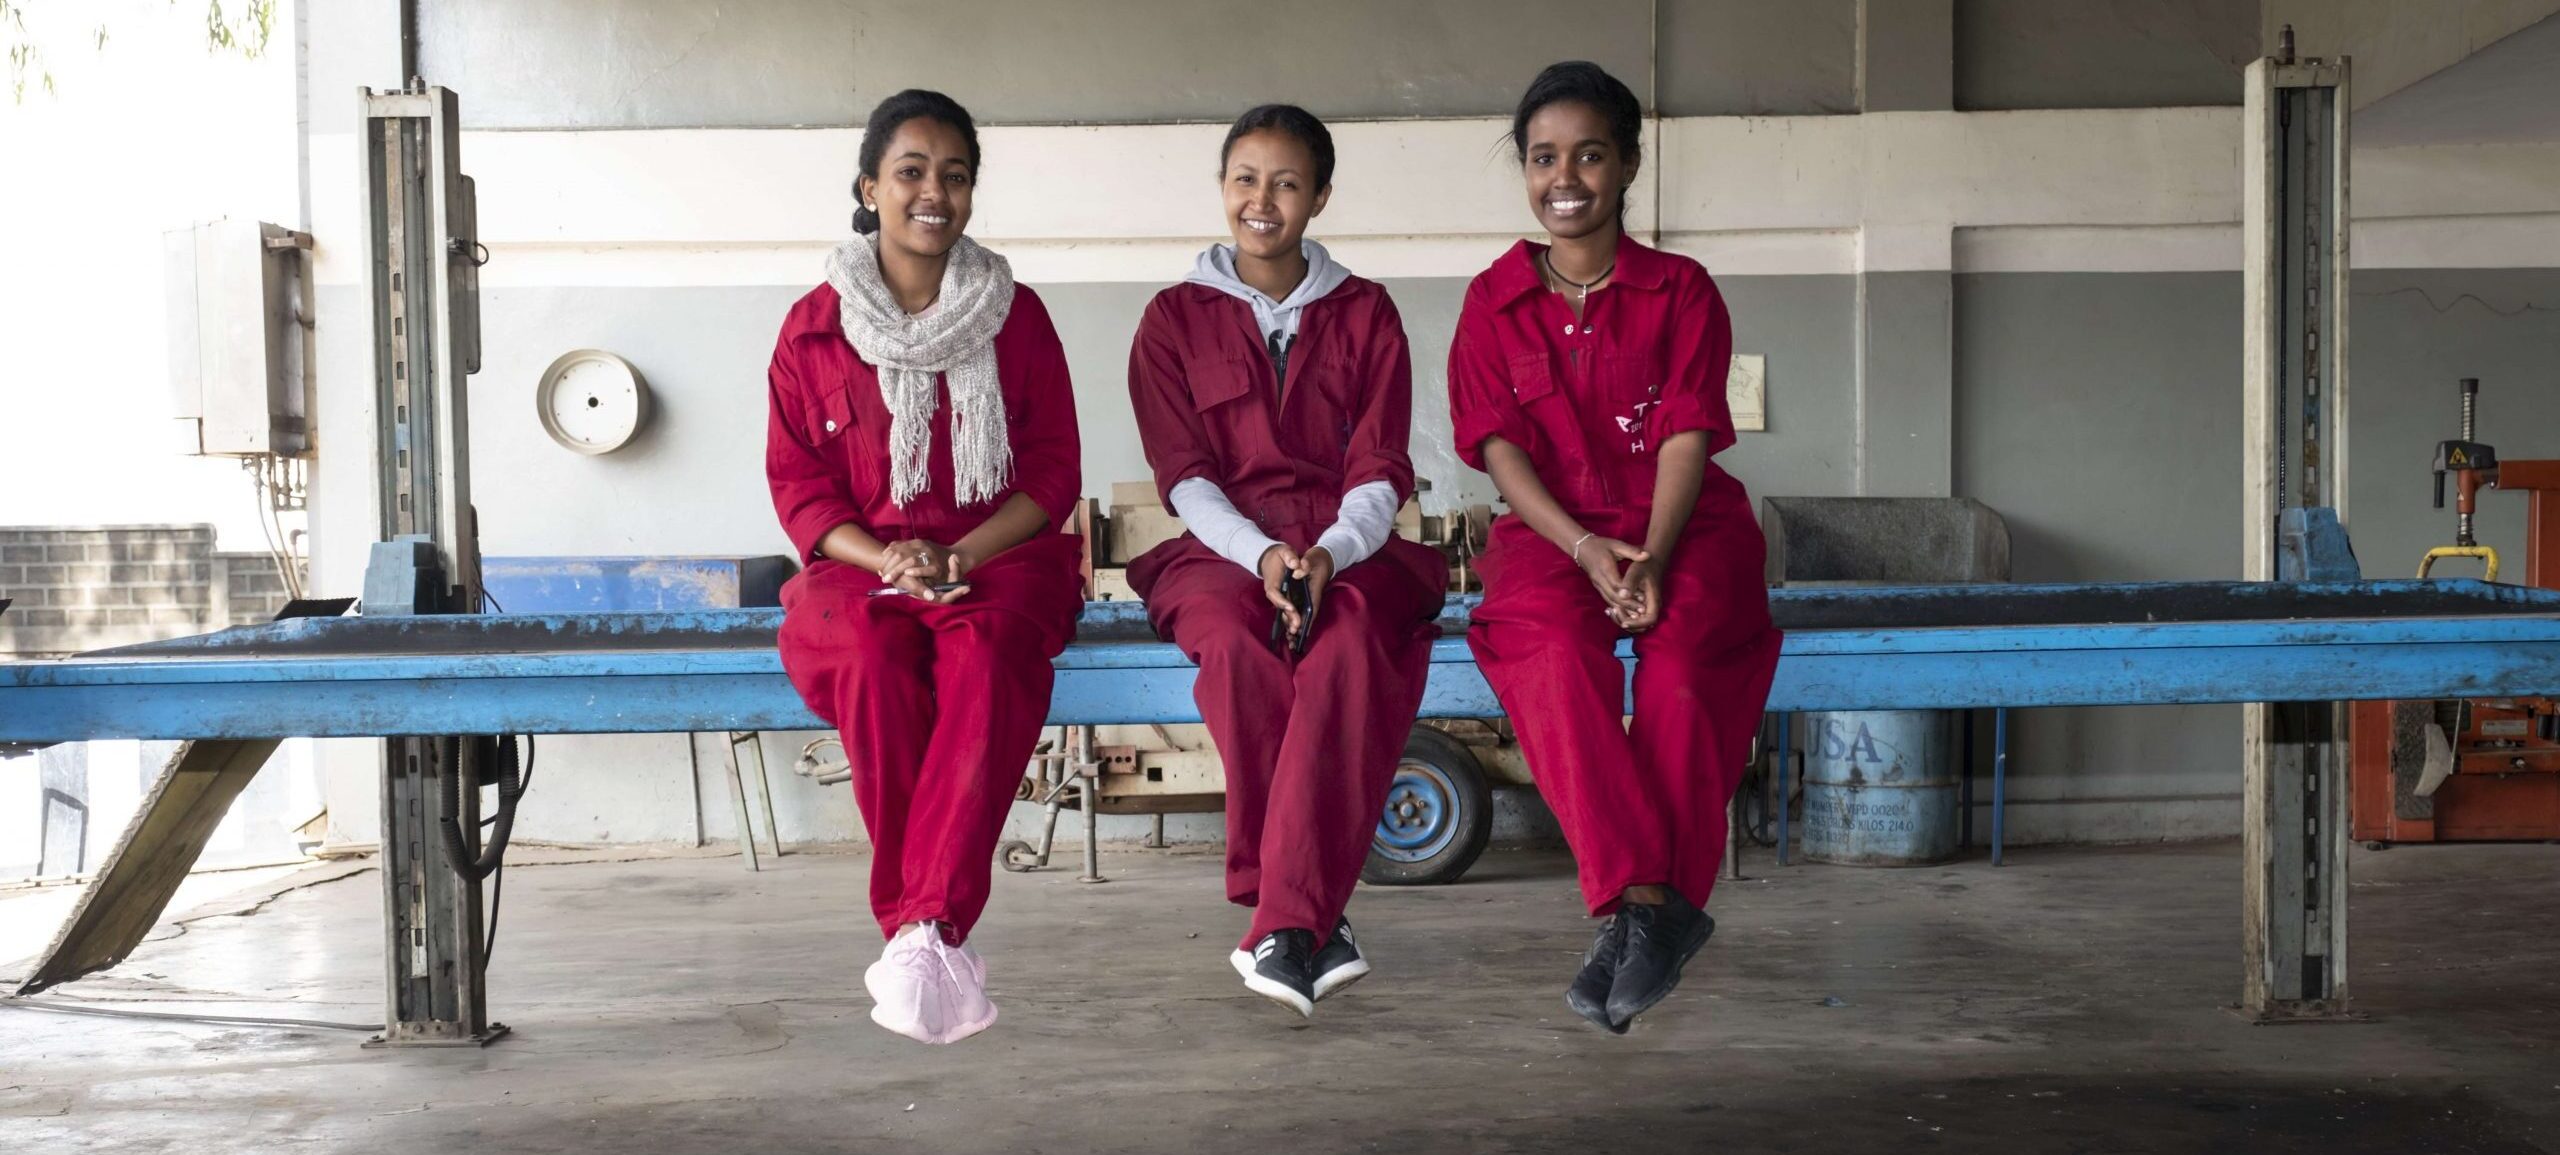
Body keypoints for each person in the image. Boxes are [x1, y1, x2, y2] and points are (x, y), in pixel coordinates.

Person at [1445, 62, 1781, 1034]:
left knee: (1681, 679)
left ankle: (1643, 915)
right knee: (1549, 661)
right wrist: (1587, 549)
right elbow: (1500, 449)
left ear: (1627, 163)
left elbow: (1686, 433)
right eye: (1543, 157)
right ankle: (1646, 904)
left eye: (1589, 154)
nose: (1565, 177)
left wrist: (1655, 558)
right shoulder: (1491, 300)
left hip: (1687, 523)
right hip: (1550, 533)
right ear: (1524, 170)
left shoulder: (1681, 291)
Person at [765, 89, 1083, 1045]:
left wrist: (961, 553)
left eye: (954, 174)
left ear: (973, 194)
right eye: (911, 171)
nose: (932, 191)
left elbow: (1055, 470)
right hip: (863, 569)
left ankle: (922, 924)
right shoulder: (813, 326)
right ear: (870, 186)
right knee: (867, 653)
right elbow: (800, 488)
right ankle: (926, 929)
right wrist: (892, 560)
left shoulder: (1016, 318)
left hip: (999, 559)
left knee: (985, 656)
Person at [1124, 104, 1448, 1018]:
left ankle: (1281, 919)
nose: (1262, 201)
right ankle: (1305, 917)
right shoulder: (1172, 320)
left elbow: (1381, 466)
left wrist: (1332, 556)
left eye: (1288, 182)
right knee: (1236, 645)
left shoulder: (1366, 312)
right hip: (1220, 548)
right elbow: (1182, 475)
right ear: (1223, 187)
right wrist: (1264, 553)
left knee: (1347, 648)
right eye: (1245, 179)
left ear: (1320, 196)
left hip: (1354, 545)